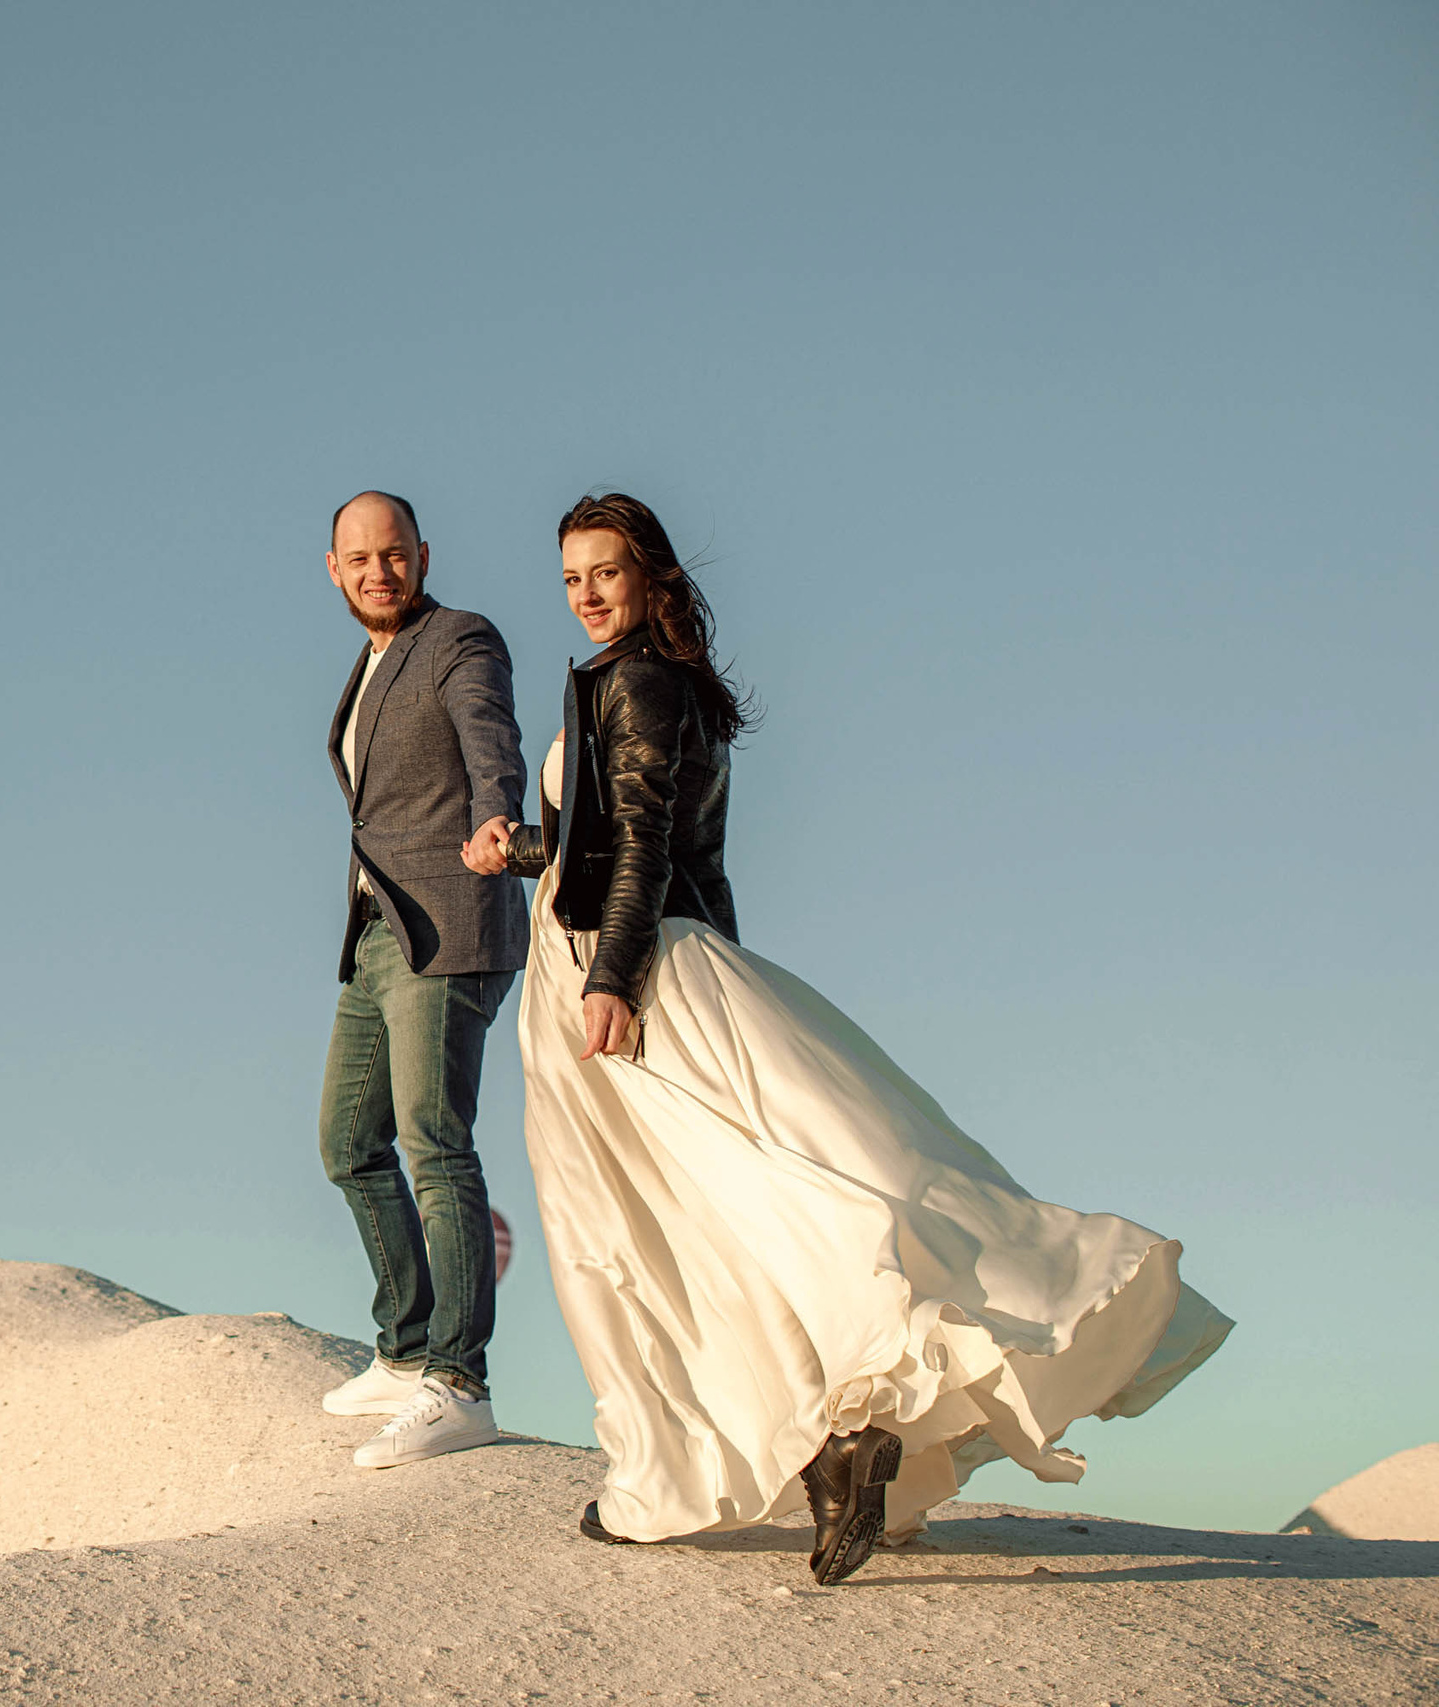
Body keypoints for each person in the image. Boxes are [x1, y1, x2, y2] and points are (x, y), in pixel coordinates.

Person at [464, 492, 1232, 1585]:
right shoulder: (656, 685)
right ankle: (840, 1438)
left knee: (655, 1229)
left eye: (606, 573)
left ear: (651, 579)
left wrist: (612, 981)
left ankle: (726, 1457)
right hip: (641, 953)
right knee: (741, 1201)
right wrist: (525, 851)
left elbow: (638, 844)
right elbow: (620, 838)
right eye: (570, 580)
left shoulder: (630, 680)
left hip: (611, 969)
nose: (587, 595)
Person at [315, 490, 530, 1470]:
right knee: (347, 1141)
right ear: (333, 569)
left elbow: (489, 739)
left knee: (433, 1143)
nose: (377, 571)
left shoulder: (458, 640)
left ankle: (459, 1380)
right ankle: (403, 1350)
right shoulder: (365, 668)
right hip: (375, 929)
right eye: (358, 558)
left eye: (393, 554)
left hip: (448, 918)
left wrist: (497, 814)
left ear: (421, 554)